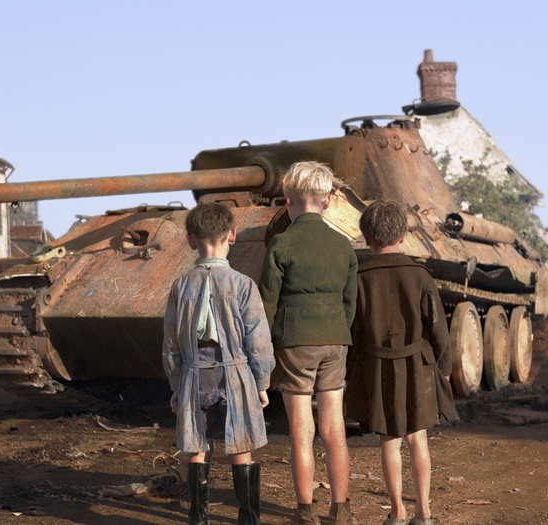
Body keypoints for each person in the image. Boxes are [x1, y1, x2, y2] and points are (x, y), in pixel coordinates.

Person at [346, 200, 458, 525]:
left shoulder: (358, 276)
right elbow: (439, 328)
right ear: (404, 236)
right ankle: (424, 513)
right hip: (418, 367)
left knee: (389, 441)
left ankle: (396, 513)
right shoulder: (419, 274)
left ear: (367, 237)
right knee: (417, 438)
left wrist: (353, 371)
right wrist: (445, 369)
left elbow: (353, 329)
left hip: (377, 367)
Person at [162, 202, 275, 525]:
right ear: (232, 235)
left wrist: (175, 384)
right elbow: (259, 342)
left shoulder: (180, 285)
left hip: (193, 374)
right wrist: (262, 383)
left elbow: (170, 345)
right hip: (236, 374)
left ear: (190, 240)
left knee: (196, 445)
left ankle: (198, 517)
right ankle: (248, 518)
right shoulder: (243, 285)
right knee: (241, 444)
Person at [259, 161, 358, 525]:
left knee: (302, 431)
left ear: (288, 201)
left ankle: (304, 511)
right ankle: (342, 509)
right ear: (328, 201)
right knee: (334, 428)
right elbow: (350, 302)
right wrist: (337, 331)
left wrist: (267, 347)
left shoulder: (282, 244)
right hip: (335, 340)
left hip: (294, 342)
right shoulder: (343, 245)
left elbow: (267, 301)